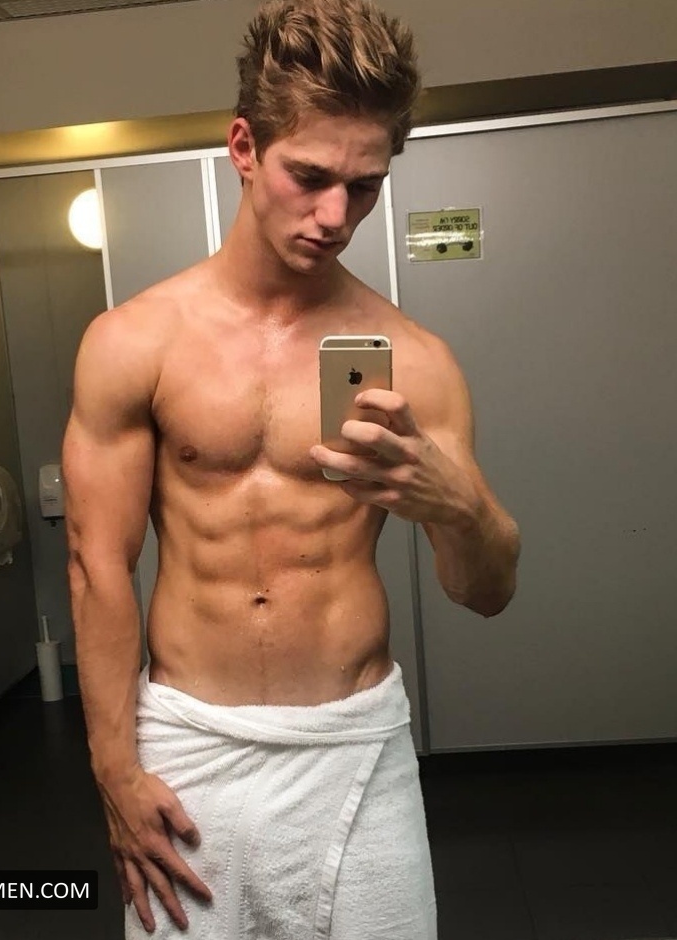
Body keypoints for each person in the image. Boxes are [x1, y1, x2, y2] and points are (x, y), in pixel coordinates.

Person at [62, 0, 520, 937]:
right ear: (243, 146)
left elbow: (486, 593)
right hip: (189, 743)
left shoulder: (416, 357)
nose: (335, 215)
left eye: (364, 186)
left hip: (354, 745)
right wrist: (114, 768)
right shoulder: (135, 341)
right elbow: (97, 563)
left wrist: (459, 507)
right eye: (309, 176)